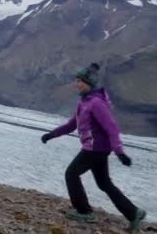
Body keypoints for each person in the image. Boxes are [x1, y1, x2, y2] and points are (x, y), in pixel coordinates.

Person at [41, 63, 146, 230]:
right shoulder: (83, 103)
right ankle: (134, 213)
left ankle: (84, 212)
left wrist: (120, 153)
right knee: (104, 183)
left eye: (80, 80)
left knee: (71, 173)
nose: (77, 83)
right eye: (77, 80)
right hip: (98, 150)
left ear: (88, 83)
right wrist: (51, 135)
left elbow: (111, 128)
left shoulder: (96, 103)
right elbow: (71, 125)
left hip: (95, 149)